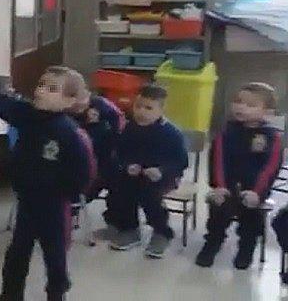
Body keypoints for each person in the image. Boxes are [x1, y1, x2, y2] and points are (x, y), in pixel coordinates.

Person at [0, 65, 96, 301]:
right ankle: (10, 295)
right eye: (41, 85)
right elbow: (2, 103)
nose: (42, 90)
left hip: (54, 206)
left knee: (55, 256)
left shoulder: (70, 134)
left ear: (69, 101)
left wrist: (63, 192)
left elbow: (83, 173)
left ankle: (56, 295)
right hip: (27, 202)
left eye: (52, 88)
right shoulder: (26, 114)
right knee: (17, 253)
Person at [196, 82, 283, 269]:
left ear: (267, 112)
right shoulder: (227, 132)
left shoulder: (271, 137)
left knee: (251, 221)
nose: (241, 107)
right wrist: (219, 186)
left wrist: (258, 193)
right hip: (226, 186)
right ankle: (212, 244)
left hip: (255, 189)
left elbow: (270, 167)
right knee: (218, 215)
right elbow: (218, 160)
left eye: (250, 105)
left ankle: (246, 249)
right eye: (238, 102)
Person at [110, 85, 188, 258]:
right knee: (121, 189)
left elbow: (181, 162)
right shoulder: (129, 129)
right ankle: (129, 229)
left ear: (161, 110)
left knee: (149, 193)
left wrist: (161, 171)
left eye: (148, 108)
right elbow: (119, 154)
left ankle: (162, 232)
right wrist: (127, 165)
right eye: (138, 106)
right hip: (134, 173)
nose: (141, 112)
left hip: (164, 176)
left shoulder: (171, 133)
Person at [70, 89, 126, 240]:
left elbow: (120, 135)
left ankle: (115, 223)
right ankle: (68, 213)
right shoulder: (62, 111)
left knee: (118, 180)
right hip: (76, 162)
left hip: (106, 158)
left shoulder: (105, 109)